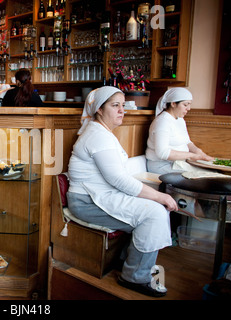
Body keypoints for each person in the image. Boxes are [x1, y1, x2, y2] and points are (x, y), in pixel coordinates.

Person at [66, 86, 178, 297]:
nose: (121, 110)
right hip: (87, 202)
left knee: (153, 209)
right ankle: (134, 276)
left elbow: (117, 177)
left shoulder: (101, 132)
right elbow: (117, 179)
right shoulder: (97, 136)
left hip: (99, 196)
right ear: (99, 109)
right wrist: (160, 196)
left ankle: (129, 261)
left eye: (123, 105)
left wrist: (153, 196)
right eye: (115, 105)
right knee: (154, 214)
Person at [145, 87, 214, 175]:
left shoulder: (180, 119)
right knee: (208, 175)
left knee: (214, 172)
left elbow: (187, 142)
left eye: (189, 104)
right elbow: (162, 153)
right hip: (161, 166)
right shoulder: (162, 122)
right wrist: (192, 155)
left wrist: (200, 153)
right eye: (185, 105)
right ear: (173, 104)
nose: (188, 108)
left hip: (178, 163)